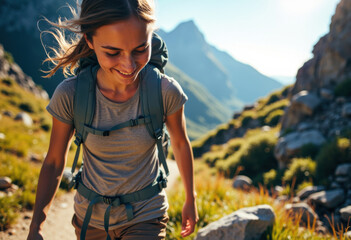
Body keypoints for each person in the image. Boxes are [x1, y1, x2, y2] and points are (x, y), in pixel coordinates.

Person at [27, 0, 198, 239]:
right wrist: (36, 226)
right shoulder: (71, 95)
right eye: (112, 52)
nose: (129, 65)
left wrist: (190, 198)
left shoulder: (164, 91)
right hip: (90, 219)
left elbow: (181, 144)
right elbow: (55, 161)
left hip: (146, 215)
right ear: (89, 40)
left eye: (140, 49)